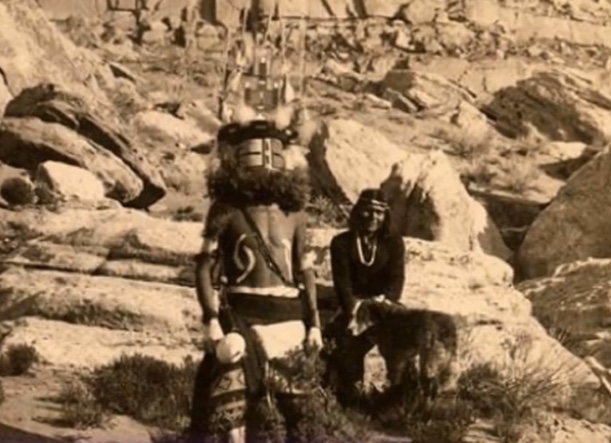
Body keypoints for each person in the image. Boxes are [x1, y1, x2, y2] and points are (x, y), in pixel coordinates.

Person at [186, 57, 322, 442]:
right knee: (229, 415)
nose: (263, 168)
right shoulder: (225, 210)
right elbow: (204, 266)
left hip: (288, 319)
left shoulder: (295, 214)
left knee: (297, 412)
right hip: (241, 316)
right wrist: (211, 320)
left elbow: (305, 270)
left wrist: (314, 323)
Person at [323, 188, 406, 407]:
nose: (373, 217)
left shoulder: (394, 242)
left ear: (385, 215)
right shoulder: (341, 243)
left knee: (404, 337)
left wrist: (382, 305)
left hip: (383, 305)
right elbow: (342, 284)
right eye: (367, 211)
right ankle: (351, 399)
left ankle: (397, 398)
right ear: (358, 212)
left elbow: (396, 281)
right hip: (353, 305)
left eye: (379, 212)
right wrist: (356, 311)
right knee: (347, 342)